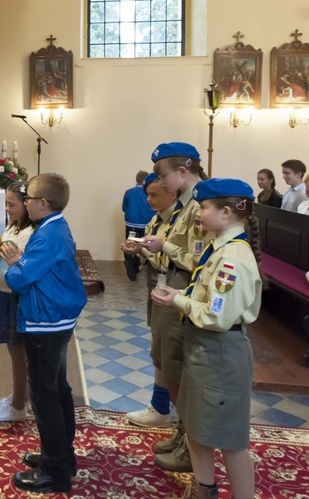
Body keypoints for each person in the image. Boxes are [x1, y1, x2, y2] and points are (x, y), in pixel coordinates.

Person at [152, 178, 263, 499]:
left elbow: (218, 315)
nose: (197, 213)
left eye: (203, 207)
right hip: (203, 349)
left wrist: (178, 300)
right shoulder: (220, 246)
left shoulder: (233, 259)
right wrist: (182, 295)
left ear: (226, 212)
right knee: (197, 428)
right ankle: (204, 488)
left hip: (221, 353)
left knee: (229, 440)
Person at [0, 173, 87, 493]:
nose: (25, 203)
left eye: (29, 199)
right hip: (54, 315)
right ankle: (61, 456)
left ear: (43, 204)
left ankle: (55, 471)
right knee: (57, 389)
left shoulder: (48, 234)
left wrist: (13, 263)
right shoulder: (52, 227)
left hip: (46, 319)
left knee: (45, 395)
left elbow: (20, 279)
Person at [138, 142, 214, 473]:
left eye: (162, 175)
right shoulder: (186, 203)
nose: (160, 183)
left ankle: (190, 445)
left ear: (183, 172)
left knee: (178, 369)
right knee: (167, 363)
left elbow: (201, 259)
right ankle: (181, 433)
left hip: (184, 293)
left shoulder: (201, 205)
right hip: (172, 289)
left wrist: (164, 244)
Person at [120, 173, 178, 429]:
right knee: (158, 346)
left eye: (154, 195)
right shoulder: (158, 218)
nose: (148, 200)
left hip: (171, 289)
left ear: (172, 194)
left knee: (166, 350)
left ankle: (163, 408)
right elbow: (155, 254)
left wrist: (159, 247)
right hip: (157, 284)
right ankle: (162, 406)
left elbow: (173, 259)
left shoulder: (178, 221)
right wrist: (140, 249)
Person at [0, 181, 35, 423]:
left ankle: (18, 407)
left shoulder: (31, 232)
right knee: (14, 350)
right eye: (5, 203)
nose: (7, 208)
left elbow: (23, 263)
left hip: (15, 295)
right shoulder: (13, 226)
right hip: (2, 291)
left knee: (19, 352)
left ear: (27, 204)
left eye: (11, 204)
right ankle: (20, 396)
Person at [122, 170, 155, 280]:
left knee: (130, 244)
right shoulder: (150, 193)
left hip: (131, 224)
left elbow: (124, 208)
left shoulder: (129, 192)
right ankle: (142, 265)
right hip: (146, 225)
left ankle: (130, 262)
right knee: (144, 246)